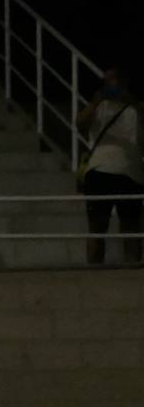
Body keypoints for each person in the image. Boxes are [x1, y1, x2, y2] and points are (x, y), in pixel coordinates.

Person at [76, 66, 142, 265]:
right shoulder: (100, 106)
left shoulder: (135, 108)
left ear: (124, 82)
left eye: (112, 81)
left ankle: (133, 271)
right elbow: (79, 123)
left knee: (131, 227)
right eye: (105, 81)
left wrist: (131, 101)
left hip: (130, 172)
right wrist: (95, 101)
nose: (109, 85)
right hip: (100, 171)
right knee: (97, 226)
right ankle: (94, 272)